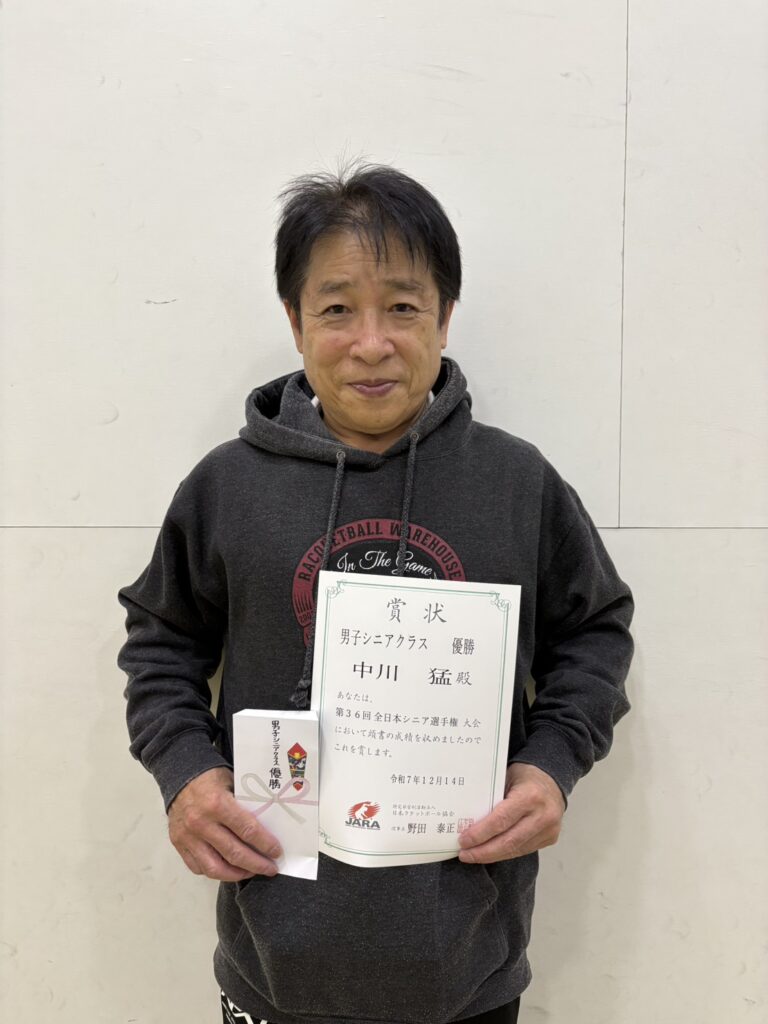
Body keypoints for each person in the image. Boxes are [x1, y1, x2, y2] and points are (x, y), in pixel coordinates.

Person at [117, 164, 634, 1024]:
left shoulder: (517, 483)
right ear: (294, 321)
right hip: (272, 958)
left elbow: (596, 632)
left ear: (444, 317)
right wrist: (185, 773)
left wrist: (552, 763)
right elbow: (161, 642)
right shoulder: (227, 487)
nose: (370, 343)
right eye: (336, 309)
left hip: (466, 966)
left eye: (402, 307)